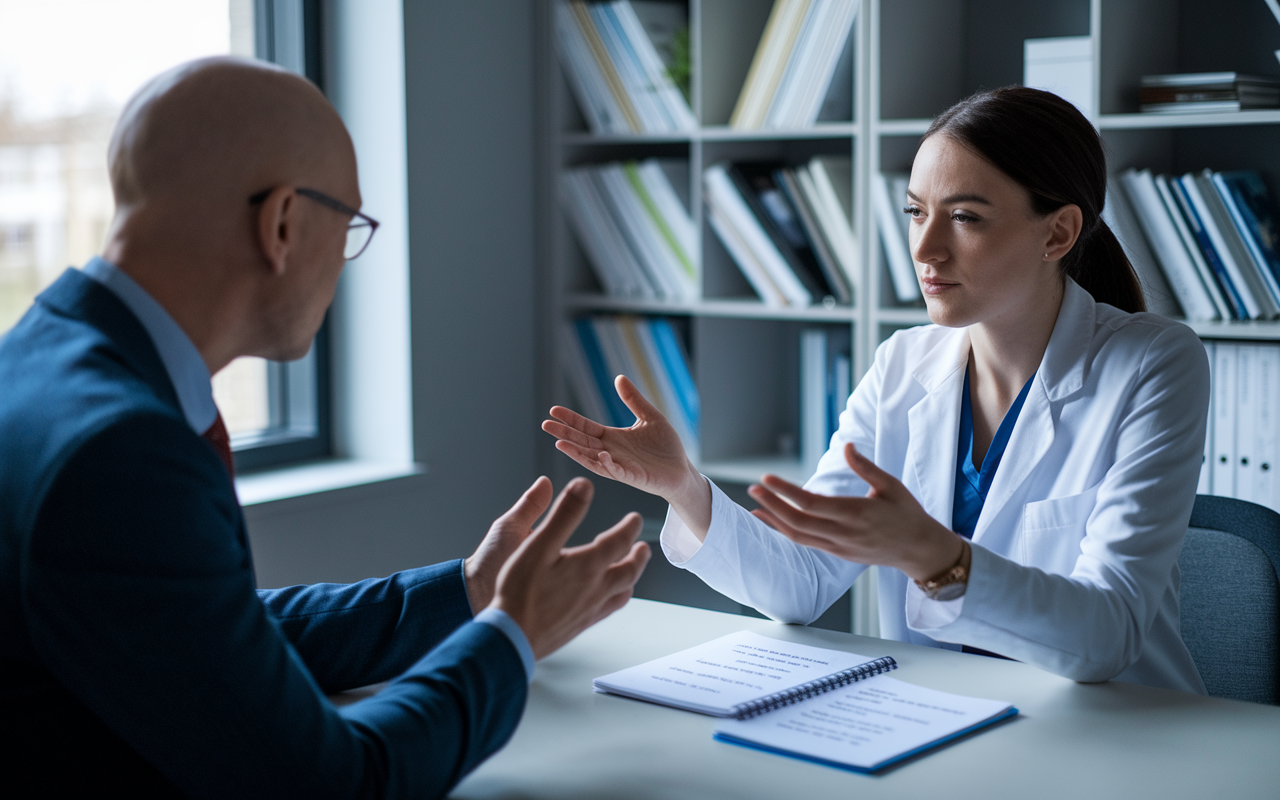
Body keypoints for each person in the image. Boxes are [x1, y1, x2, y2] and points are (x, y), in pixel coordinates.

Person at [0, 57, 650, 797]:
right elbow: (335, 783)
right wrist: (510, 638)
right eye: (348, 227)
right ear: (281, 224)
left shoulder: (38, 361)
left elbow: (210, 634)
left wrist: (470, 593)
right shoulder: (120, 454)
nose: (345, 265)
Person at [543, 86, 1210, 694]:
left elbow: (1107, 635)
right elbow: (801, 583)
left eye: (966, 218)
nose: (926, 248)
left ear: (1058, 232)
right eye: (917, 211)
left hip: (1115, 736)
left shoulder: (1153, 364)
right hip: (942, 721)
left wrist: (936, 556)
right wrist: (684, 487)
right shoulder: (902, 364)